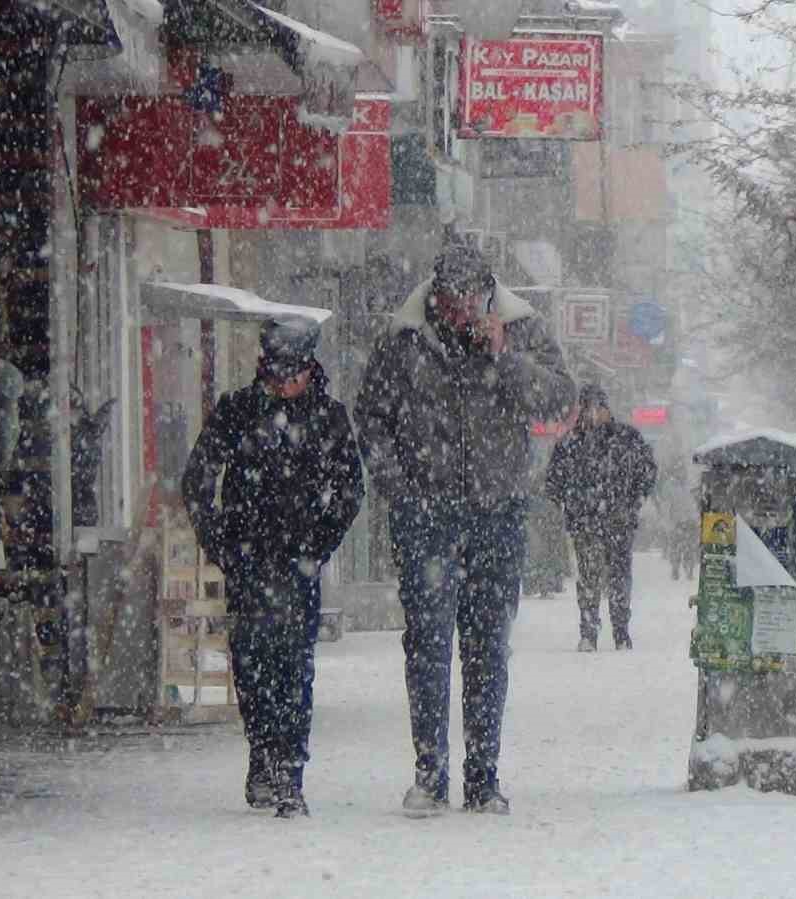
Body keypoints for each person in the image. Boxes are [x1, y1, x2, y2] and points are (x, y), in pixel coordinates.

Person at [354, 241, 574, 817]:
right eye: (452, 303)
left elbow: (557, 400)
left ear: (488, 294)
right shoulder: (403, 341)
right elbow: (371, 418)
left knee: (487, 648)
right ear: (435, 295)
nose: (462, 314)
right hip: (425, 516)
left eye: (472, 303)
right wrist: (399, 493)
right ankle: (429, 775)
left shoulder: (521, 329)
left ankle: (483, 778)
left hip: (497, 513)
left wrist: (504, 356)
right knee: (427, 645)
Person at [181, 314, 364, 819]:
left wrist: (318, 545)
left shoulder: (328, 418)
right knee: (252, 666)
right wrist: (219, 542)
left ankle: (290, 771)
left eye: (293, 373)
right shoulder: (237, 412)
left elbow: (350, 491)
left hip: (298, 563)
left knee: (295, 669)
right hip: (246, 559)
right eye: (275, 373)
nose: (285, 384)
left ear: (310, 368)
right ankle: (262, 753)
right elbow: (197, 480)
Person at [545, 384, 657, 651]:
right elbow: (553, 481)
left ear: (607, 409)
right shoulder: (571, 443)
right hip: (586, 523)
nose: (594, 414)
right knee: (588, 579)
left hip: (618, 521)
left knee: (618, 577)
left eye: (599, 407)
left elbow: (648, 472)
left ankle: (621, 632)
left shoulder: (627, 438)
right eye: (588, 407)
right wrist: (569, 506)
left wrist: (634, 502)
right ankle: (589, 633)